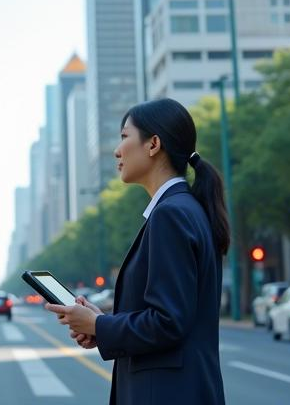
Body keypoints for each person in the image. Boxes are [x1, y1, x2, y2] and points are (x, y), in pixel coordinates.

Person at [46, 98, 229, 404]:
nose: (117, 151)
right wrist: (102, 323)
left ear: (153, 144)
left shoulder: (171, 215)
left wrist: (99, 325)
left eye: (124, 137)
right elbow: (171, 315)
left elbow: (168, 322)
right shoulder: (186, 209)